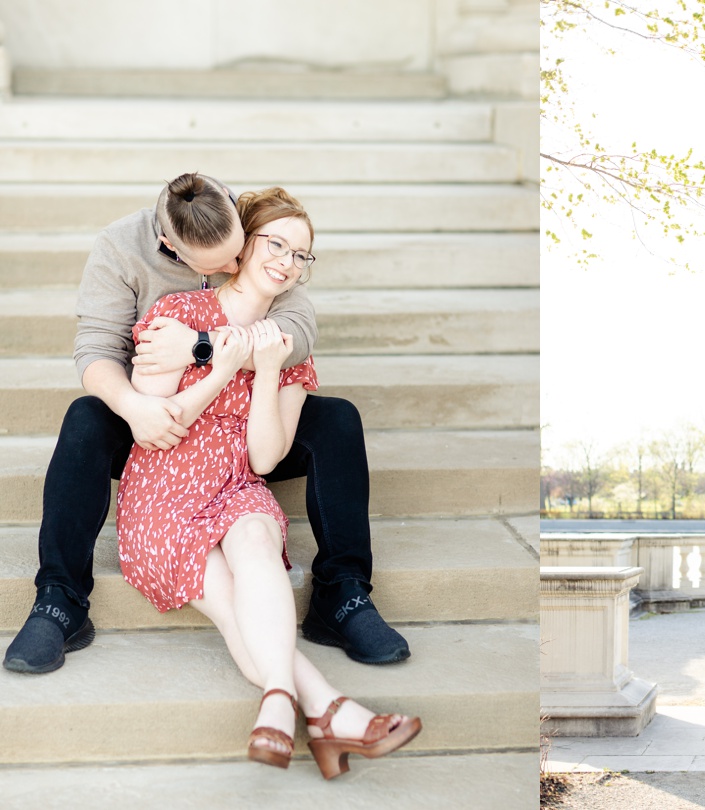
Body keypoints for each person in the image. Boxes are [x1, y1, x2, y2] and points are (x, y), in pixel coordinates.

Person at [4, 172, 407, 675]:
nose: (238, 265)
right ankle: (59, 598)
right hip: (160, 420)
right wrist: (134, 408)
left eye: (242, 250)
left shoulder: (259, 237)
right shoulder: (120, 249)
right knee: (86, 418)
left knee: (339, 421)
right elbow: (96, 349)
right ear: (170, 246)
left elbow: (296, 333)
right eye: (222, 264)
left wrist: (200, 345)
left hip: (243, 423)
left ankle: (341, 592)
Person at [118, 186, 420, 776]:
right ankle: (325, 711)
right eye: (275, 243)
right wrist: (221, 364)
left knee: (257, 538)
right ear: (243, 245)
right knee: (233, 606)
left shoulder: (290, 348)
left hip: (234, 484)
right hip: (164, 491)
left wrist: (265, 369)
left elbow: (263, 459)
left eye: (301, 254)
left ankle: (288, 706)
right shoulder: (177, 316)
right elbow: (156, 423)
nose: (287, 260)